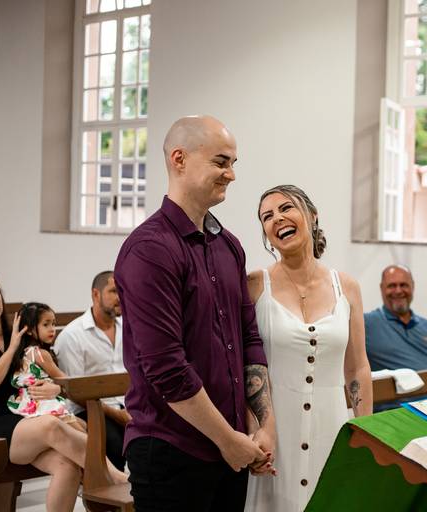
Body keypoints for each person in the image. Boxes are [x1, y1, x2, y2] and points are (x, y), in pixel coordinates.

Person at [114, 115, 275, 511]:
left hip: (231, 448)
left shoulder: (229, 246)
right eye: (221, 162)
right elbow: (166, 367)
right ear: (179, 159)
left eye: (233, 163)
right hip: (172, 450)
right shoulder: (150, 249)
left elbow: (248, 339)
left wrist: (261, 425)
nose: (231, 174)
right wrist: (227, 439)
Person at [246, 184, 373, 512]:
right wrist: (253, 430)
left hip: (331, 427)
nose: (277, 219)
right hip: (275, 432)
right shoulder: (255, 285)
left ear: (312, 216)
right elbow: (242, 365)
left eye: (286, 208)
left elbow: (357, 367)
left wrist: (366, 433)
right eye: (267, 216)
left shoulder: (347, 287)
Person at [0, 279, 125, 511]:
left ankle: (107, 483)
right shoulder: (14, 339)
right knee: (51, 425)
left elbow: (33, 375)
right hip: (0, 425)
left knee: (67, 466)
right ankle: (115, 478)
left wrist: (56, 388)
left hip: (23, 416)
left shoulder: (14, 331)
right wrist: (12, 347)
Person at [54, 270, 128, 470]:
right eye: (114, 291)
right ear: (96, 294)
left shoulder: (129, 328)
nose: (121, 297)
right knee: (113, 442)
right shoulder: (72, 335)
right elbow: (76, 392)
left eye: (123, 290)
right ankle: (107, 489)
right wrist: (118, 415)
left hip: (128, 404)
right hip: (90, 409)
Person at [364, 265, 427, 372]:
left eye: (403, 285)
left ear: (413, 287)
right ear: (381, 288)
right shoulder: (366, 325)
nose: (398, 291)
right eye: (392, 286)